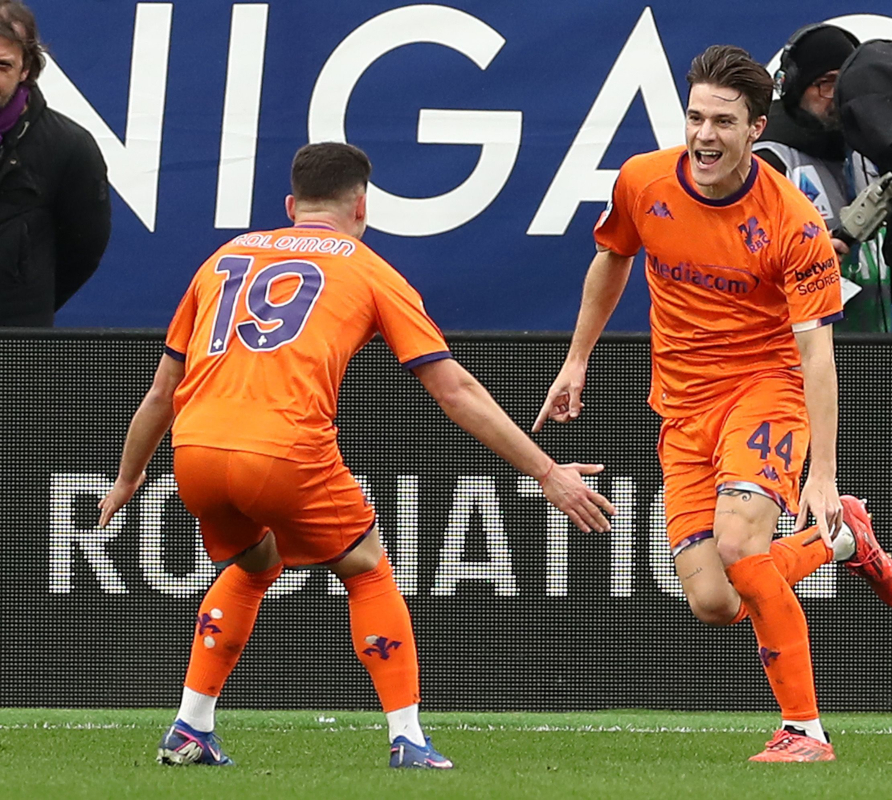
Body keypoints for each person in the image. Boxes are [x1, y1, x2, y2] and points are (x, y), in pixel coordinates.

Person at [98, 142, 615, 770]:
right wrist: (548, 472)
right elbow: (454, 390)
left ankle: (189, 726)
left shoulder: (223, 258)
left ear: (291, 206)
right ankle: (408, 739)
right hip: (282, 447)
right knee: (366, 566)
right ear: (362, 205)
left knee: (257, 562)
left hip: (196, 450)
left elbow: (160, 390)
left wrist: (127, 477)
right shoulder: (369, 268)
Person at [533, 45, 892, 763]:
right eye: (695, 118)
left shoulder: (792, 223)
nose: (704, 135)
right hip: (681, 406)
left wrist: (820, 474)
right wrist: (576, 359)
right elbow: (612, 256)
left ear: (754, 129)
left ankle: (805, 731)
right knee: (714, 600)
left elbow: (815, 357)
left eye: (723, 123)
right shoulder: (643, 182)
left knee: (740, 547)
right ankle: (838, 541)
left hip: (764, 392)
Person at [754, 24, 892, 332]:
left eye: (846, 84)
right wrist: (807, 258)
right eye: (827, 84)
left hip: (869, 353)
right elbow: (744, 269)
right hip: (794, 364)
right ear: (795, 88)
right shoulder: (768, 161)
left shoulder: (866, 155)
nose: (838, 97)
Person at [0, 0, 110, 327]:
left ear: (27, 69)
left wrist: (25, 304)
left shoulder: (70, 147)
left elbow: (83, 252)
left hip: (17, 346)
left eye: (2, 66)